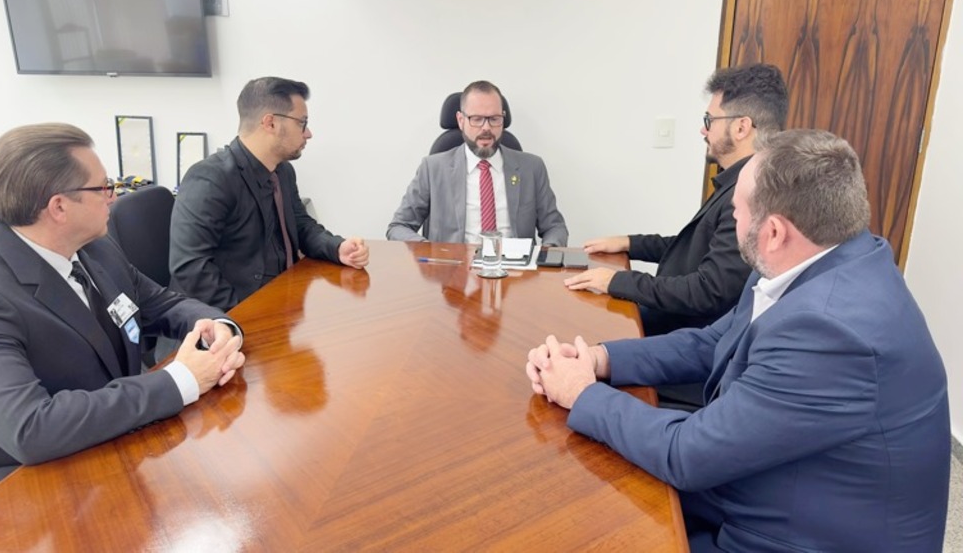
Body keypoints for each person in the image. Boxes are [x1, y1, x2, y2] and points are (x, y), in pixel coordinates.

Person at [525, 129, 950, 552]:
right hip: (772, 483)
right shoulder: (814, 258)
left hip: (796, 535)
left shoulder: (831, 333)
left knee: (575, 522)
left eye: (736, 212)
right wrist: (599, 360)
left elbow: (688, 455)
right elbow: (711, 342)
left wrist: (580, 392)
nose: (732, 222)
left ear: (775, 232)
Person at [0, 123, 247, 524]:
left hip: (101, 443)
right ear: (59, 207)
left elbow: (160, 303)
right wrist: (181, 380)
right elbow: (31, 430)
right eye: (103, 187)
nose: (114, 196)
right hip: (11, 498)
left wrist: (217, 326)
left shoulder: (95, 246)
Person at [566, 63, 788, 338]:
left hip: (685, 337)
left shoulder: (751, 194)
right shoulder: (736, 180)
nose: (702, 131)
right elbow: (692, 246)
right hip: (673, 320)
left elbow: (708, 291)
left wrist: (617, 280)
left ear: (741, 127)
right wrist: (629, 243)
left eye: (709, 121)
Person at [170, 76, 369, 310]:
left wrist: (337, 248)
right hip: (230, 318)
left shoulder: (282, 171)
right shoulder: (210, 179)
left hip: (283, 300)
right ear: (270, 123)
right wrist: (244, 319)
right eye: (302, 123)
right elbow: (191, 269)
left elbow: (301, 224)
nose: (308, 133)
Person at [387, 80, 568, 246]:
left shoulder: (532, 168)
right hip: (454, 272)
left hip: (516, 273)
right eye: (477, 119)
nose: (486, 128)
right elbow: (398, 227)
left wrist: (546, 253)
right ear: (461, 120)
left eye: (494, 119)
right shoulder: (433, 168)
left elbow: (555, 227)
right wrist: (427, 249)